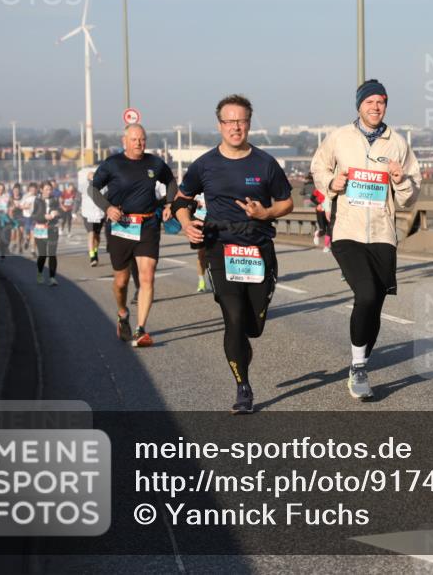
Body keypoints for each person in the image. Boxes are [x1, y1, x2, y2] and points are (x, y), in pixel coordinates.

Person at [174, 94, 294, 414]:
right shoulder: (205, 164)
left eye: (241, 121)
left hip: (258, 248)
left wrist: (265, 212)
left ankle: (243, 346)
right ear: (220, 125)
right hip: (220, 248)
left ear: (249, 124)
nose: (235, 127)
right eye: (229, 121)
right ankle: (243, 388)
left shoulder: (265, 163)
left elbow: (287, 203)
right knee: (234, 318)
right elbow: (180, 200)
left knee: (252, 327)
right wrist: (186, 224)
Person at [311, 79, 422, 401]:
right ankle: (359, 367)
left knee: (374, 302)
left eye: (381, 102)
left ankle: (360, 361)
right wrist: (333, 181)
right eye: (370, 101)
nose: (376, 107)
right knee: (367, 292)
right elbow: (318, 167)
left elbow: (410, 198)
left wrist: (401, 181)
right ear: (359, 105)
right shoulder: (339, 138)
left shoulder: (397, 143)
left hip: (383, 234)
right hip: (347, 230)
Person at [89, 123, 177, 347]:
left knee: (147, 276)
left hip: (147, 224)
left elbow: (171, 181)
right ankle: (122, 312)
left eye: (143, 139)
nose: (139, 143)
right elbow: (93, 189)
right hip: (121, 226)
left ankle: (140, 330)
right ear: (124, 141)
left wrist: (169, 205)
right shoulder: (113, 164)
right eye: (135, 139)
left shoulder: (154, 163)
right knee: (121, 281)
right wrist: (107, 208)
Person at [32, 181, 62, 286]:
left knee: (52, 254)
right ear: (41, 190)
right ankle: (40, 272)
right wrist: (44, 217)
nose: (49, 191)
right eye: (46, 189)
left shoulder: (55, 199)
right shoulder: (37, 200)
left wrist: (57, 213)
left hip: (52, 228)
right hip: (40, 228)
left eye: (50, 189)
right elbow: (33, 216)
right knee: (43, 254)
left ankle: (52, 277)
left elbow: (60, 212)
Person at [78, 166, 106, 267]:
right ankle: (92, 257)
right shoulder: (84, 186)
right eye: (90, 175)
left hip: (100, 213)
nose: (92, 176)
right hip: (87, 213)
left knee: (97, 236)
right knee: (91, 233)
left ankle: (95, 251)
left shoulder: (103, 186)